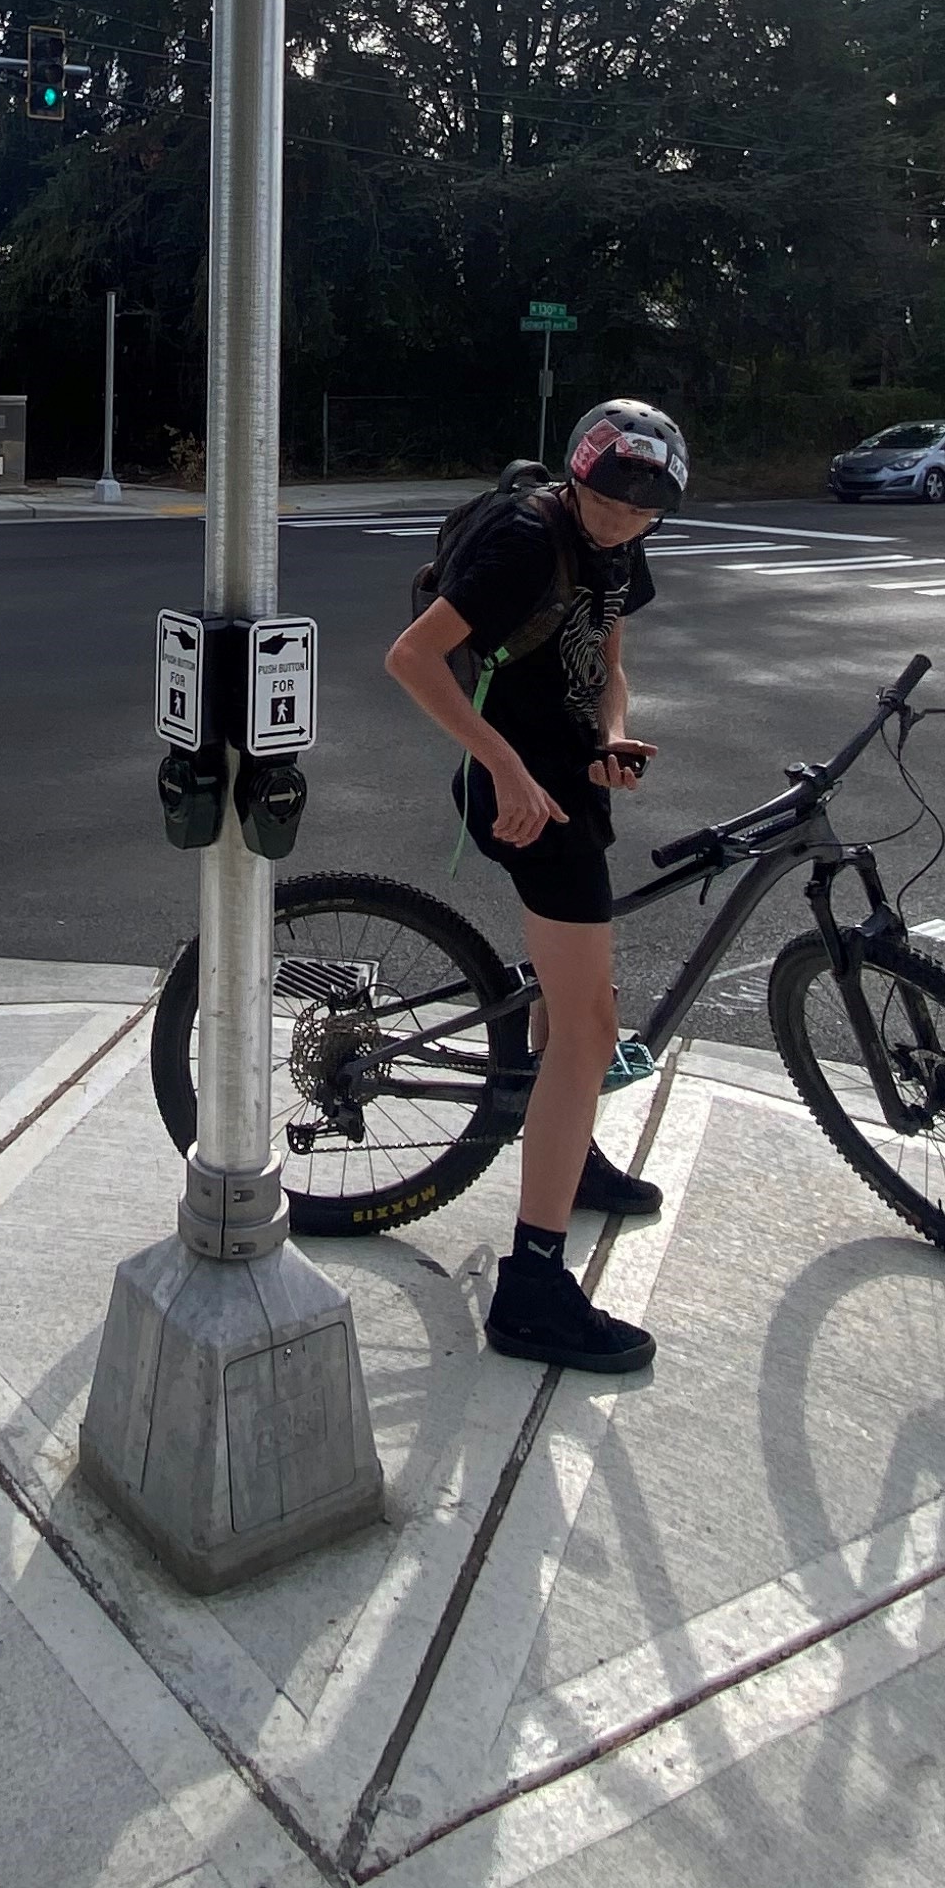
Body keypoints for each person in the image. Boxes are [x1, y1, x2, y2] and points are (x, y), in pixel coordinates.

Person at [384, 399, 690, 1377]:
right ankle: (533, 1289)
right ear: (577, 479)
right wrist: (508, 766)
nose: (622, 523)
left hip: (568, 778)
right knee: (593, 1025)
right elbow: (413, 658)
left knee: (578, 1011)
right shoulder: (525, 540)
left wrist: (608, 734)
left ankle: (573, 1152)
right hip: (520, 794)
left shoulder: (618, 555)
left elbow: (608, 664)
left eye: (644, 513)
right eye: (608, 502)